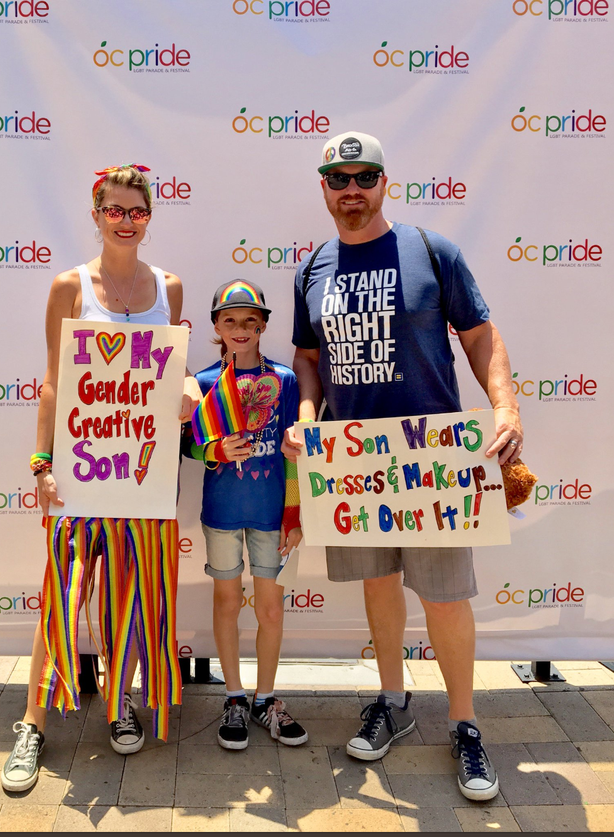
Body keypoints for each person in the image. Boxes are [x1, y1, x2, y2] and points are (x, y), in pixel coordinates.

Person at [282, 132, 524, 801]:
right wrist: (307, 413)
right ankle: (392, 697)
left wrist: (504, 404)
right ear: (323, 187)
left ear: (385, 182)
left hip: (433, 460)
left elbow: (480, 335)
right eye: (339, 178)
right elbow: (307, 356)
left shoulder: (429, 250)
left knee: (445, 594)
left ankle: (466, 724)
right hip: (355, 461)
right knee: (379, 583)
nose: (351, 190)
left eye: (365, 177)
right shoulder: (312, 267)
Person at [1, 164, 201, 792]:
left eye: (135, 211)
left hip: (144, 474)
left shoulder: (168, 287)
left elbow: (169, 377)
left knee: (134, 599)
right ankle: (31, 722)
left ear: (149, 217)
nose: (124, 221)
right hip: (81, 473)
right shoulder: (69, 287)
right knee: (63, 596)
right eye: (113, 210)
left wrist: (188, 393)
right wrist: (41, 464)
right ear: (95, 215)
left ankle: (120, 704)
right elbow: (56, 383)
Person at [182, 280, 308, 750]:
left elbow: (297, 450)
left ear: (264, 326)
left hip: (273, 514)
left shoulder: (286, 380)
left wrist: (295, 514)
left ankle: (266, 697)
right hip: (221, 512)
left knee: (271, 607)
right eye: (230, 321)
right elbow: (187, 444)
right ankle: (234, 697)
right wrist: (214, 449)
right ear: (216, 325)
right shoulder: (204, 383)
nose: (240, 329)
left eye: (250, 322)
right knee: (227, 603)